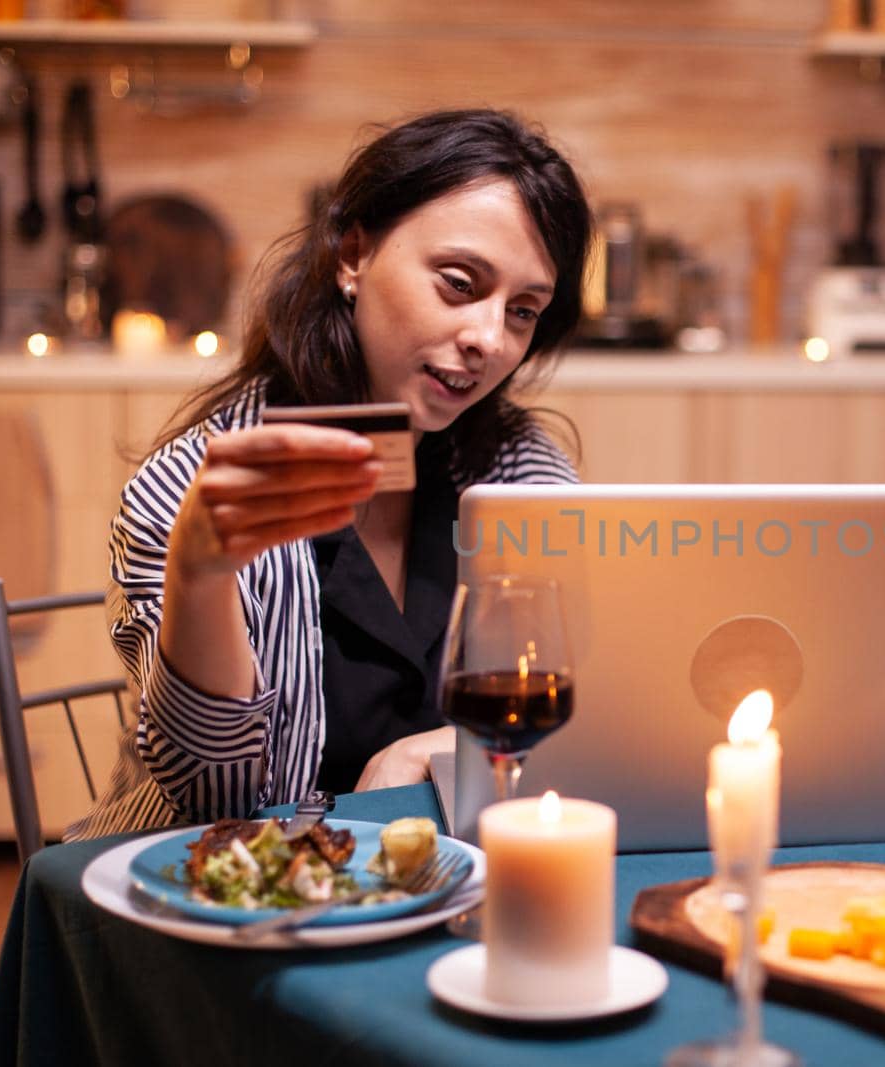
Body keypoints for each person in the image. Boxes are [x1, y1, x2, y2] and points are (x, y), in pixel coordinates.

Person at [70, 109, 592, 839]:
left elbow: (583, 714)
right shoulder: (187, 485)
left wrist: (435, 747)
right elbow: (212, 792)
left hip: (443, 880)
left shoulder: (517, 472)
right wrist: (202, 572)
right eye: (458, 283)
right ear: (352, 255)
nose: (488, 338)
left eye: (523, 311)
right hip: (228, 891)